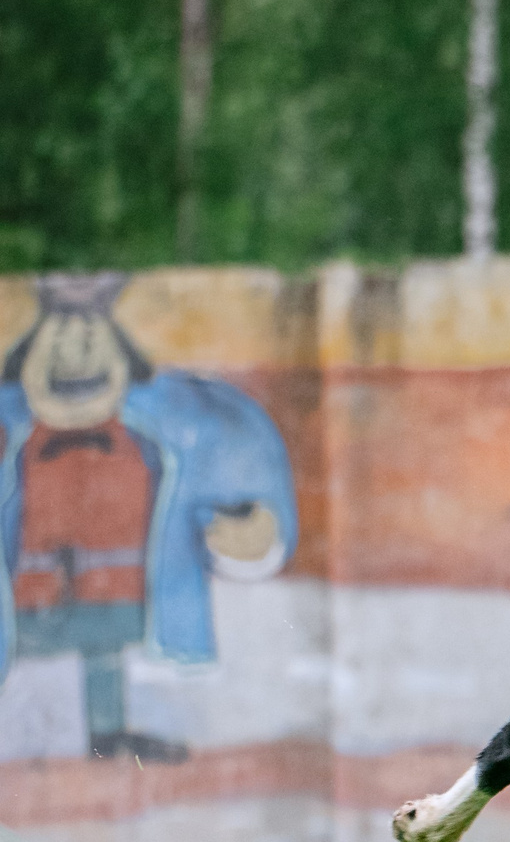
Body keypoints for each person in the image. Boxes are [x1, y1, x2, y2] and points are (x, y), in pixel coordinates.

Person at [0, 273, 297, 762]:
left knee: (103, 654)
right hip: (34, 588)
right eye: (61, 341)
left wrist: (250, 527)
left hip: (114, 582)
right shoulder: (12, 435)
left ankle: (106, 735)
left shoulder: (169, 432)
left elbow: (219, 467)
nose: (76, 358)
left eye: (90, 339)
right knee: (39, 659)